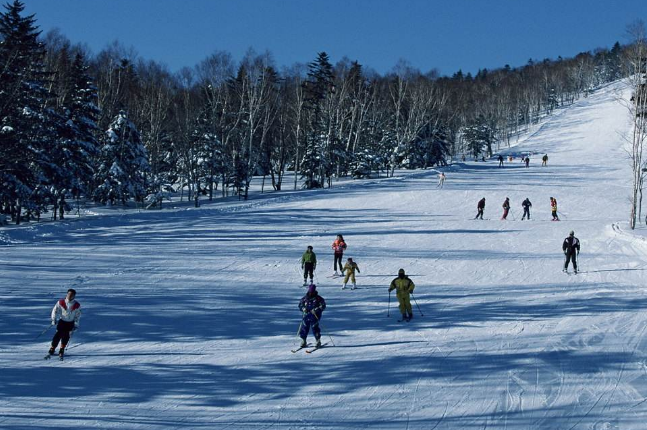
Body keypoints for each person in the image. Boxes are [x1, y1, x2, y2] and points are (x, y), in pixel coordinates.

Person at [48, 288, 81, 358]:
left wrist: (76, 324)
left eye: (72, 295)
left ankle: (62, 349)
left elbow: (78, 315)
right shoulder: (61, 302)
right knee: (57, 335)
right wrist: (53, 319)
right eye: (69, 294)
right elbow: (55, 310)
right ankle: (52, 348)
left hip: (70, 323)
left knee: (66, 336)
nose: (70, 296)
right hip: (62, 321)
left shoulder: (77, 305)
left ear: (74, 296)